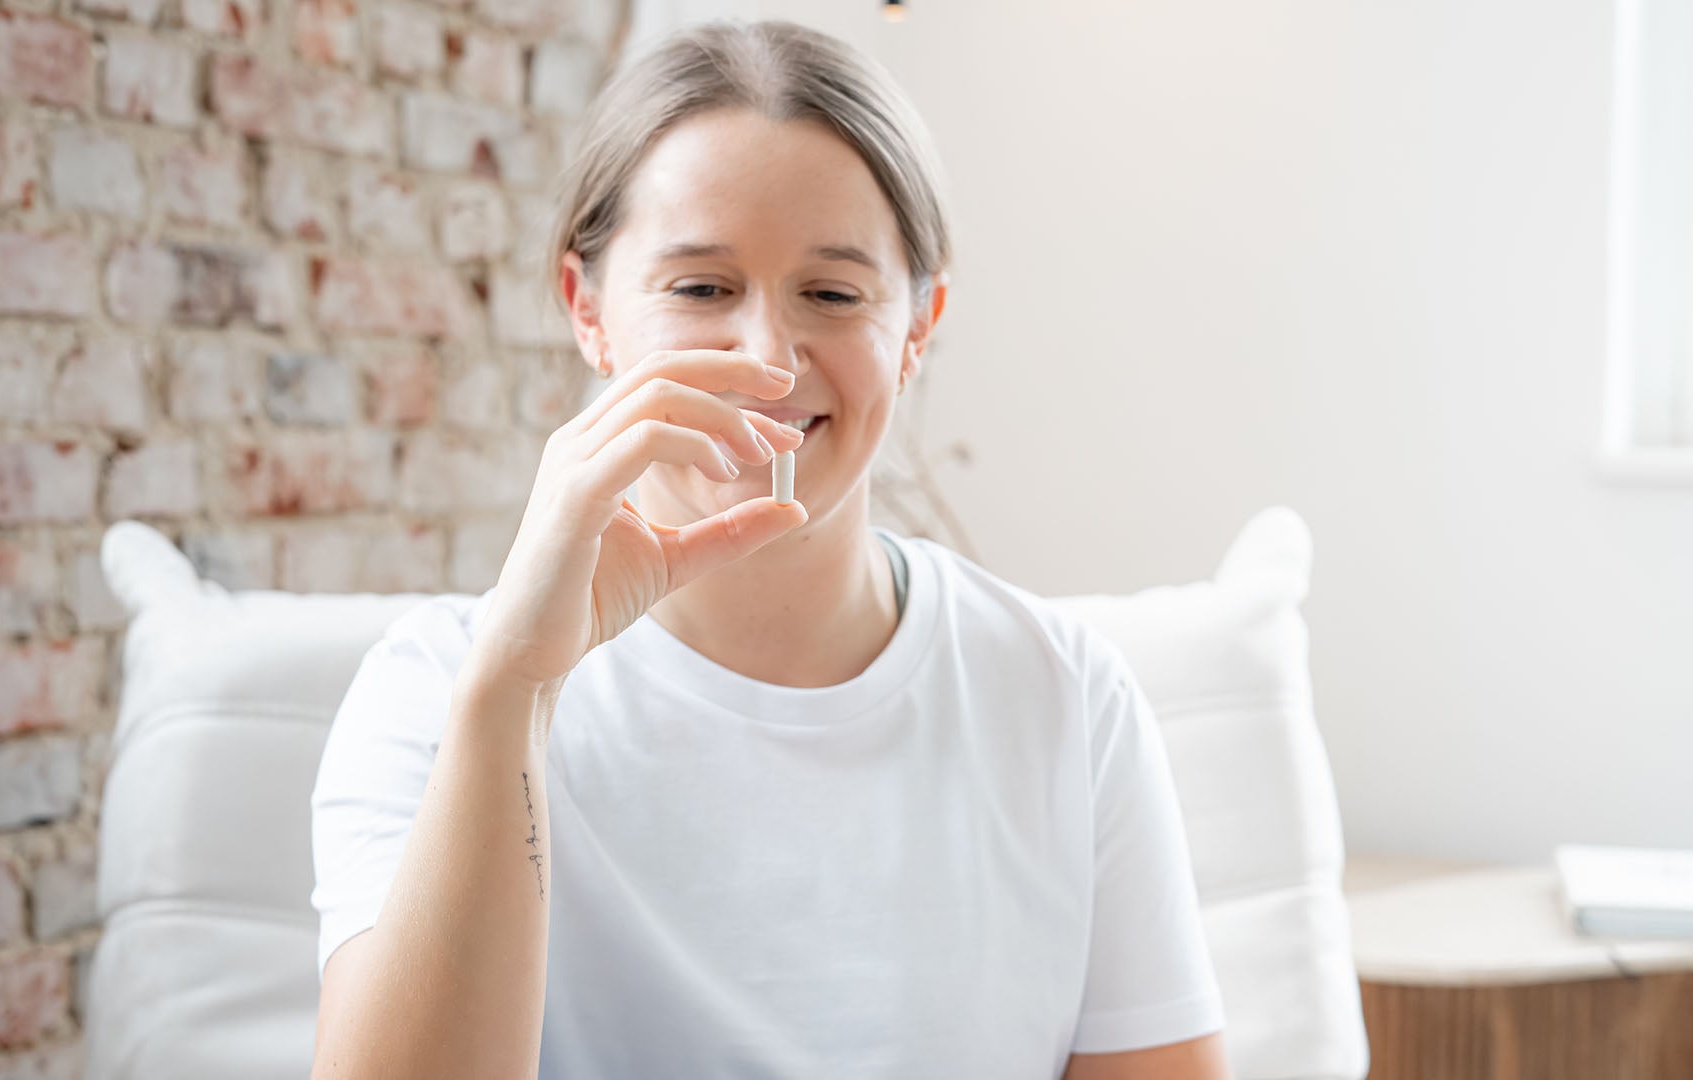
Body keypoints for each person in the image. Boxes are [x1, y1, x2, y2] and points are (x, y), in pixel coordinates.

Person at [308, 18, 1232, 1080]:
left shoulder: (1065, 699)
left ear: (920, 325)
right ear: (587, 309)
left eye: (832, 294)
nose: (768, 358)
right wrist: (517, 689)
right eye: (701, 288)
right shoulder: (436, 692)